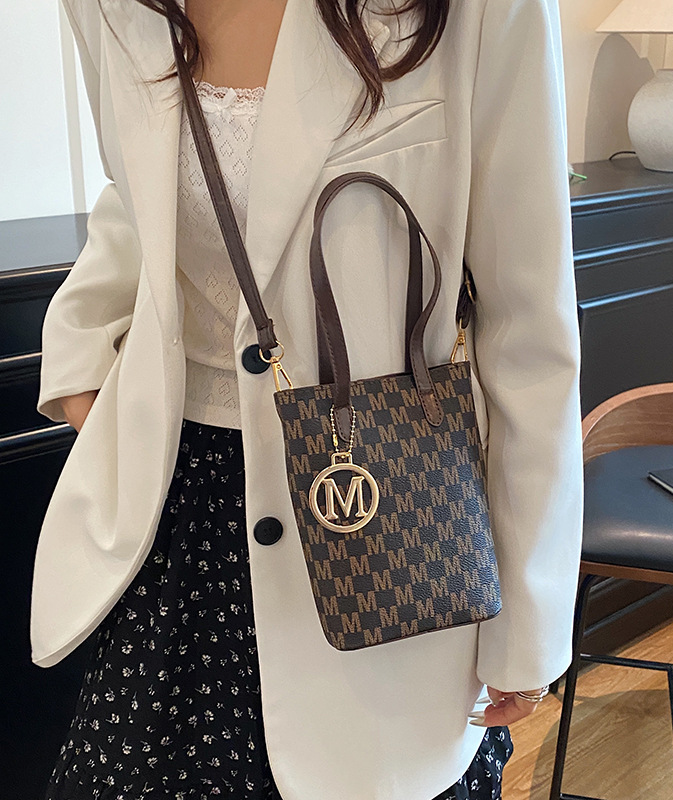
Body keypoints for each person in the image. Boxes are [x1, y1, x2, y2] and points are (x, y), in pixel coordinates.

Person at [32, 0, 584, 798]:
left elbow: (529, 327)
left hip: (392, 510)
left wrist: (527, 622)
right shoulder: (109, 7)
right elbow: (141, 189)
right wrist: (81, 359)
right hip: (178, 517)